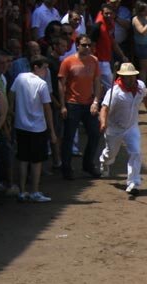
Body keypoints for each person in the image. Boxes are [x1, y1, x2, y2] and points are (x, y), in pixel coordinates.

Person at [98, 63, 147, 196]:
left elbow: (146, 96)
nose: (129, 80)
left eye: (131, 77)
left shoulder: (140, 86)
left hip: (131, 127)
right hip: (114, 128)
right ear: (121, 77)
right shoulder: (114, 92)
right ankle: (104, 162)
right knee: (110, 153)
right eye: (126, 77)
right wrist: (103, 123)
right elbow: (104, 108)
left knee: (136, 152)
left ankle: (133, 182)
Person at [9, 56, 57, 203]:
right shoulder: (41, 84)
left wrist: (12, 113)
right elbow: (47, 109)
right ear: (36, 67)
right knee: (36, 161)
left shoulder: (20, 78)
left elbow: (11, 95)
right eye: (44, 68)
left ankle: (23, 191)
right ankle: (34, 191)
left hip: (21, 126)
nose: (46, 71)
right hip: (37, 128)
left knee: (23, 159)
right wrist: (52, 131)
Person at [58, 35, 104, 180]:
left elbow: (97, 82)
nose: (87, 48)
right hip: (72, 104)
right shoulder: (68, 61)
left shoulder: (94, 61)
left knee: (95, 134)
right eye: (84, 45)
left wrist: (96, 101)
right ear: (77, 45)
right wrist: (63, 105)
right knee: (69, 137)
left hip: (88, 103)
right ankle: (66, 167)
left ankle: (88, 164)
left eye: (89, 45)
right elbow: (61, 84)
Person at [95, 4, 129, 98]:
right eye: (106, 13)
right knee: (112, 87)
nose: (109, 15)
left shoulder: (110, 24)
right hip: (99, 61)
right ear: (102, 13)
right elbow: (92, 44)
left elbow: (113, 42)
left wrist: (122, 56)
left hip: (107, 59)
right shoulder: (98, 26)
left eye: (110, 13)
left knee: (106, 87)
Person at [131, 3, 147, 87]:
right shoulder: (136, 19)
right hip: (143, 46)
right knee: (143, 69)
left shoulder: (146, 17)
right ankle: (142, 90)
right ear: (140, 11)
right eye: (145, 9)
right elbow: (143, 32)